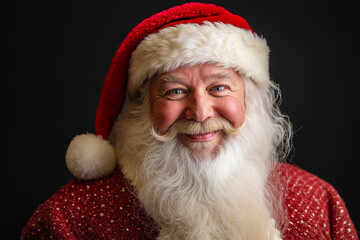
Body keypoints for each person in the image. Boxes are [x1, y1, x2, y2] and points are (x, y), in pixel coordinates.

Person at [21, 2, 358, 240]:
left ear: (249, 99)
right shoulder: (70, 218)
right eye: (176, 91)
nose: (200, 112)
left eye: (219, 87)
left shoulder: (317, 200)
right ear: (143, 108)